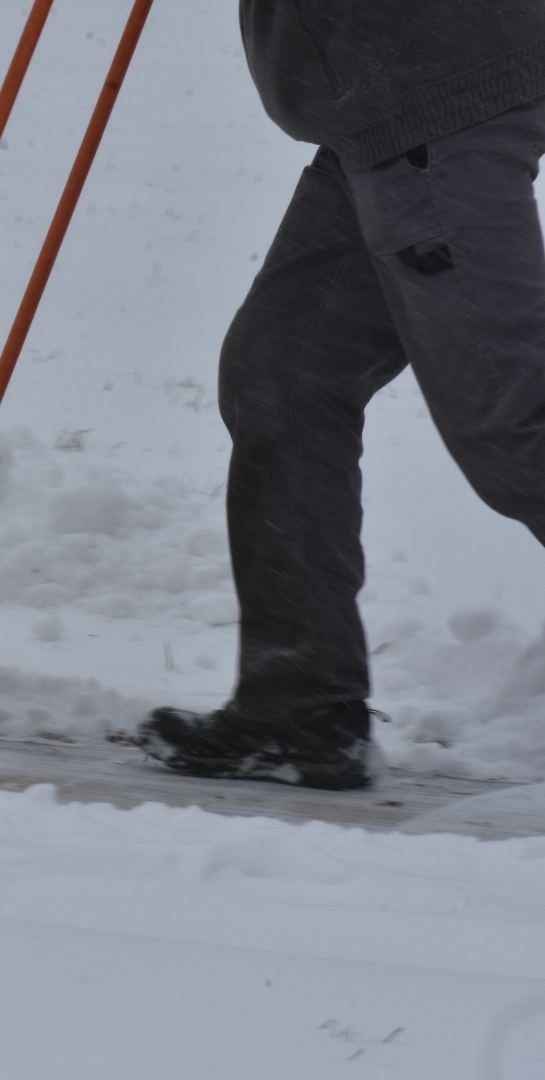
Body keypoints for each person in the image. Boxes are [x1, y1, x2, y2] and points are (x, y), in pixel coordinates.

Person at [138, 3, 545, 790]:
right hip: (383, 99)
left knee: (516, 429)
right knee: (283, 374)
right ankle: (299, 707)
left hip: (430, 86)